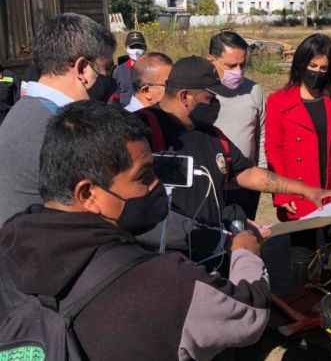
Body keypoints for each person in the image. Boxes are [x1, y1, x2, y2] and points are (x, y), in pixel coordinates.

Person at [0, 100, 270, 360]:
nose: (157, 185)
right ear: (87, 194)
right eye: (144, 176)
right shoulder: (166, 283)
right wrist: (246, 252)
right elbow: (250, 311)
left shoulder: (9, 243)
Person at [136, 55, 331, 261]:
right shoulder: (140, 130)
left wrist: (305, 190)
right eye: (209, 98)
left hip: (214, 256)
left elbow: (246, 173)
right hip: (166, 259)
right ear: (185, 96)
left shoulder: (213, 135)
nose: (215, 103)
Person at [0, 13, 115, 226]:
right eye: (107, 68)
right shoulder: (60, 127)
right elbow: (113, 208)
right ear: (82, 69)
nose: (111, 78)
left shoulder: (27, 111)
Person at [265, 34, 331, 250]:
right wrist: (282, 191)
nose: (317, 72)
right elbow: (273, 148)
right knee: (303, 254)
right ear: (301, 64)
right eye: (312, 65)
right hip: (299, 189)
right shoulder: (278, 101)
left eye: (323, 68)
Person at [207, 30, 267, 220]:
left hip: (246, 186)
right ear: (211, 60)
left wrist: (262, 170)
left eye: (242, 65)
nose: (238, 72)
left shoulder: (253, 90)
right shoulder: (200, 94)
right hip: (210, 186)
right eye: (231, 65)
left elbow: (262, 133)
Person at [114, 31, 146, 106]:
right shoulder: (119, 71)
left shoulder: (152, 69)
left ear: (145, 48)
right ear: (126, 48)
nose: (136, 50)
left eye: (139, 46)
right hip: (125, 114)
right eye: (132, 47)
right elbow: (115, 97)